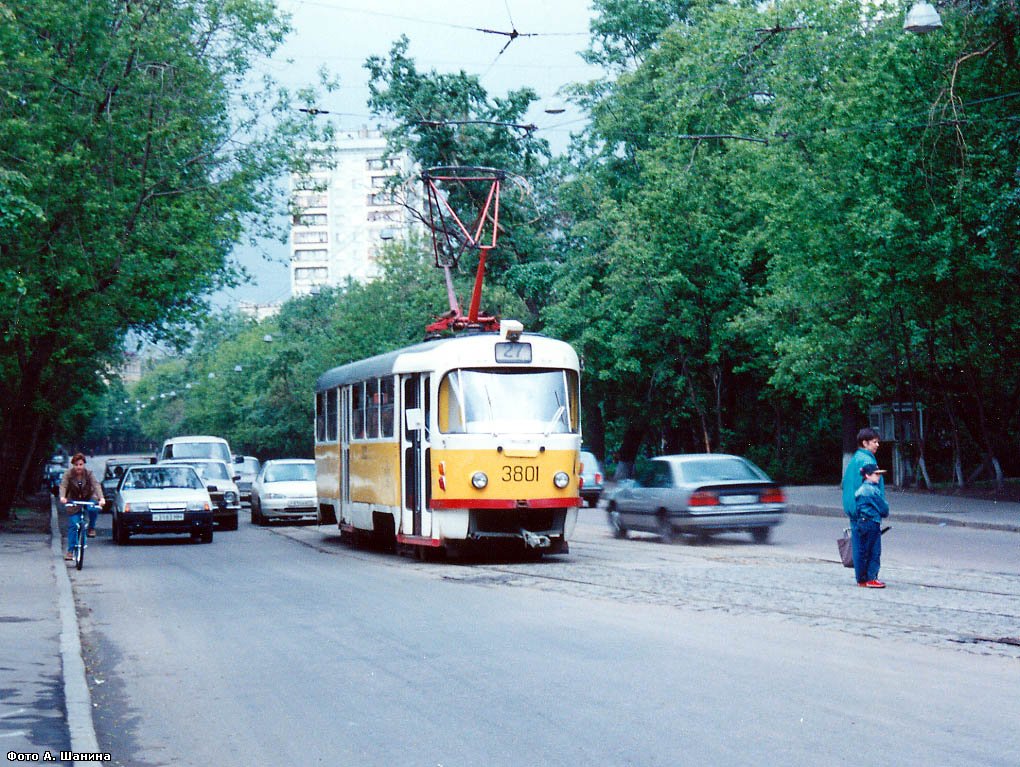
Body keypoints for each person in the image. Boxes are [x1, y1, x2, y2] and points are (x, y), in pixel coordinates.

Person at [59, 453, 105, 561]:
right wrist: (62, 497)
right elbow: (63, 485)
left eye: (80, 464)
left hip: (88, 498)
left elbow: (96, 485)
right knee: (73, 525)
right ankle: (70, 551)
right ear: (73, 465)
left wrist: (101, 498)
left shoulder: (89, 474)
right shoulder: (68, 474)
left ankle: (91, 527)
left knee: (93, 508)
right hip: (74, 501)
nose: (78, 467)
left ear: (84, 464)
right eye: (76, 465)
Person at [853, 463, 890, 587]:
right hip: (872, 522)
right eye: (876, 474)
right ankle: (871, 578)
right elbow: (884, 509)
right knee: (874, 551)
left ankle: (862, 579)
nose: (878, 476)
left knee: (864, 551)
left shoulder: (861, 490)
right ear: (868, 475)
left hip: (862, 522)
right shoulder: (871, 490)